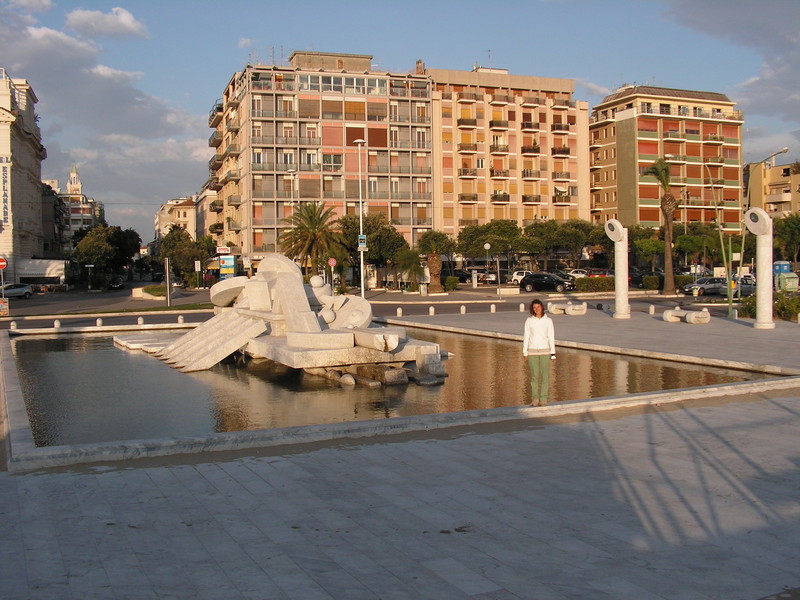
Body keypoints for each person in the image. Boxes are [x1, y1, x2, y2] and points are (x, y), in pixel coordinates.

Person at [522, 299, 556, 406]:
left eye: (538, 307)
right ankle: (535, 399)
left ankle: (543, 399)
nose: (536, 309)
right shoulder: (529, 321)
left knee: (545, 376)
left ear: (542, 307)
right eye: (534, 307)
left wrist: (553, 354)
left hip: (545, 351)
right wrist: (525, 352)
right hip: (532, 352)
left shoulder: (548, 321)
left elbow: (551, 337)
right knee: (534, 377)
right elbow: (526, 336)